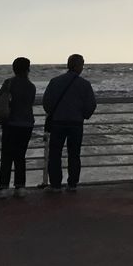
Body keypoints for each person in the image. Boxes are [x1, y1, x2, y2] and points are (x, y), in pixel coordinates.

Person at [43, 54, 97, 192]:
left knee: (55, 154)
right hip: (76, 123)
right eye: (82, 65)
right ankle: (72, 184)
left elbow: (47, 102)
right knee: (74, 154)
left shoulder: (55, 81)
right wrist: (84, 115)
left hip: (58, 122)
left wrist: (53, 113)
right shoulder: (85, 84)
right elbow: (91, 104)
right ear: (78, 66)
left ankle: (55, 185)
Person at [0, 57, 37, 199]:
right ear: (28, 69)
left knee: (7, 156)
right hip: (27, 124)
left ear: (14, 68)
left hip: (11, 123)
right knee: (20, 156)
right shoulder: (31, 86)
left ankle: (4, 187)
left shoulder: (9, 83)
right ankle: (20, 187)